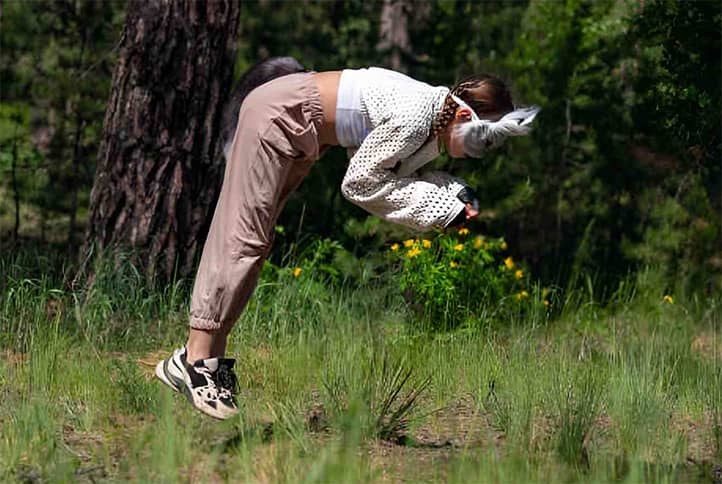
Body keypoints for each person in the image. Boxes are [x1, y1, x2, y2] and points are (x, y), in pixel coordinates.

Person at [155, 57, 539, 419]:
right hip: (280, 115)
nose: (481, 153)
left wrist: (451, 191)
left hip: (297, 126)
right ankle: (196, 362)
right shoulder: (417, 116)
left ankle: (204, 359)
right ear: (462, 115)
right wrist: (442, 208)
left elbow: (398, 176)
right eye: (485, 141)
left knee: (255, 242)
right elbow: (359, 183)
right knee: (242, 237)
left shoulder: (431, 121)